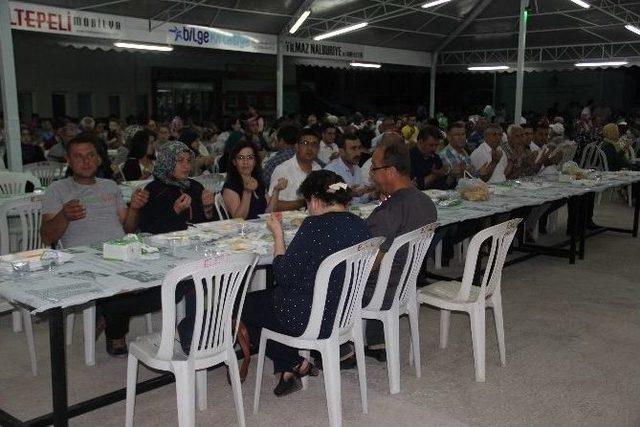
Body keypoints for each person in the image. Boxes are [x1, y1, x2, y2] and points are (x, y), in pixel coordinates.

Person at [241, 170, 373, 396]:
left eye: (306, 203)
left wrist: (278, 237)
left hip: (307, 317)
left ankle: (293, 362)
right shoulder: (361, 226)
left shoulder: (314, 226)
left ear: (314, 199)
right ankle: (289, 369)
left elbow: (282, 274)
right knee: (266, 301)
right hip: (343, 313)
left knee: (240, 305)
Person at [40, 132, 150, 355]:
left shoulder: (110, 186)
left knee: (172, 281)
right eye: (78, 157)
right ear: (69, 161)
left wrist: (135, 209)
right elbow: (47, 238)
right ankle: (115, 332)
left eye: (90, 155)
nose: (85, 161)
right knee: (122, 289)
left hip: (120, 252)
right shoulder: (57, 190)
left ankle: (106, 313)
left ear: (99, 158)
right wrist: (64, 216)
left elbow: (128, 228)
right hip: (83, 259)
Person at [361, 133, 437, 360]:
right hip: (405, 285)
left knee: (322, 275)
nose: (371, 172)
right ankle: (377, 342)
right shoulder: (426, 203)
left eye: (374, 167)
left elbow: (369, 263)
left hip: (379, 292)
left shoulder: (388, 212)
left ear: (390, 171)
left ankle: (341, 350)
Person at [138, 140, 216, 234]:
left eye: (188, 160)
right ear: (167, 162)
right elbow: (148, 230)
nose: (186, 165)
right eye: (180, 160)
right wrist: (175, 211)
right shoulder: (154, 190)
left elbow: (210, 226)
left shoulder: (195, 186)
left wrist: (208, 209)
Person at [222, 140, 284, 220]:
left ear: (255, 162)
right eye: (241, 158)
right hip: (241, 231)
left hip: (260, 228)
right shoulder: (230, 187)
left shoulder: (258, 182)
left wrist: (276, 190)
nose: (245, 162)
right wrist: (247, 192)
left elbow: (268, 212)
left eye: (250, 158)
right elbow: (238, 219)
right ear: (234, 162)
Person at [268, 128, 321, 211]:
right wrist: (304, 202)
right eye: (305, 143)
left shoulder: (318, 168)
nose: (310, 148)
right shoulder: (283, 169)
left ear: (318, 149)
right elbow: (272, 205)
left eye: (314, 144)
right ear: (296, 147)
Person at [323, 133, 372, 202]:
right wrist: (348, 192)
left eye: (359, 148)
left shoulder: (357, 168)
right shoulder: (330, 170)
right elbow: (327, 191)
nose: (358, 153)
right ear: (342, 151)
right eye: (353, 149)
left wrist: (372, 195)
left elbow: (360, 198)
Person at [410, 125, 449, 190]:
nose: (434, 148)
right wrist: (434, 175)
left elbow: (444, 185)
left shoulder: (435, 158)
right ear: (420, 142)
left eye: (436, 145)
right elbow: (417, 186)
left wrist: (451, 175)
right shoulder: (409, 158)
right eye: (431, 145)